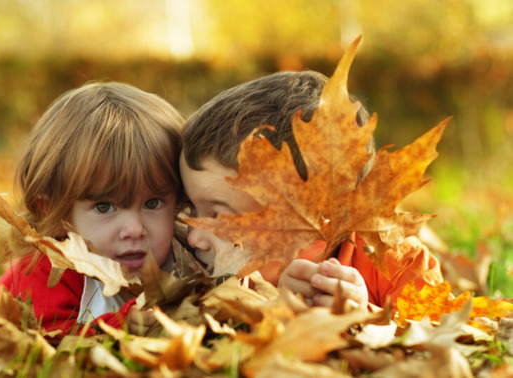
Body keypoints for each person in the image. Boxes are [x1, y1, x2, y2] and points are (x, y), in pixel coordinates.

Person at [180, 70, 443, 311]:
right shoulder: (188, 267)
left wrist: (365, 317)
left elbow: (443, 332)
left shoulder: (399, 263)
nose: (194, 237)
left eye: (218, 217)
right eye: (191, 209)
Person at [0, 81, 185, 334]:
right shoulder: (41, 278)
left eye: (153, 203)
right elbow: (50, 346)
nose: (134, 230)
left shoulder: (184, 259)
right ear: (54, 212)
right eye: (104, 207)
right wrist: (120, 327)